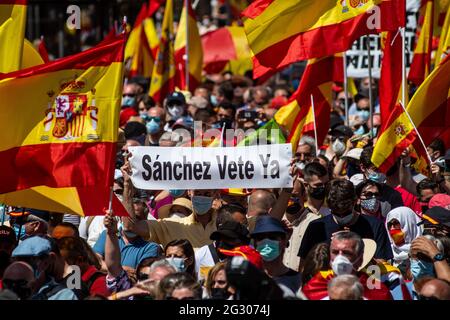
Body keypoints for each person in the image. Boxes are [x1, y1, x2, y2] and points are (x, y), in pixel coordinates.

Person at [298, 179, 394, 263]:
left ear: (355, 201)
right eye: (336, 213)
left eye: (346, 212)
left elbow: (380, 267)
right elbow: (304, 266)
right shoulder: (316, 227)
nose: (342, 216)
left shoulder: (375, 226)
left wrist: (356, 248)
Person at [301, 231, 392, 300]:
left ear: (360, 259)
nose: (340, 258)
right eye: (335, 252)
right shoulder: (313, 287)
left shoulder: (377, 291)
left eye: (347, 253)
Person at [281, 162, 331, 271]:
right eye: (318, 185)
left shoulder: (323, 217)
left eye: (326, 184)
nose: (323, 188)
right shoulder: (279, 219)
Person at [11, 236, 78, 300]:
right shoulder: (10, 291)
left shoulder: (63, 296)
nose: (23, 266)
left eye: (30, 261)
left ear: (46, 263)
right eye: (18, 261)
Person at [251, 216, 301, 295]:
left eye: (272, 237)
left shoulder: (298, 280)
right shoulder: (249, 278)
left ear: (284, 241)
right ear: (255, 243)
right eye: (261, 238)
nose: (266, 242)